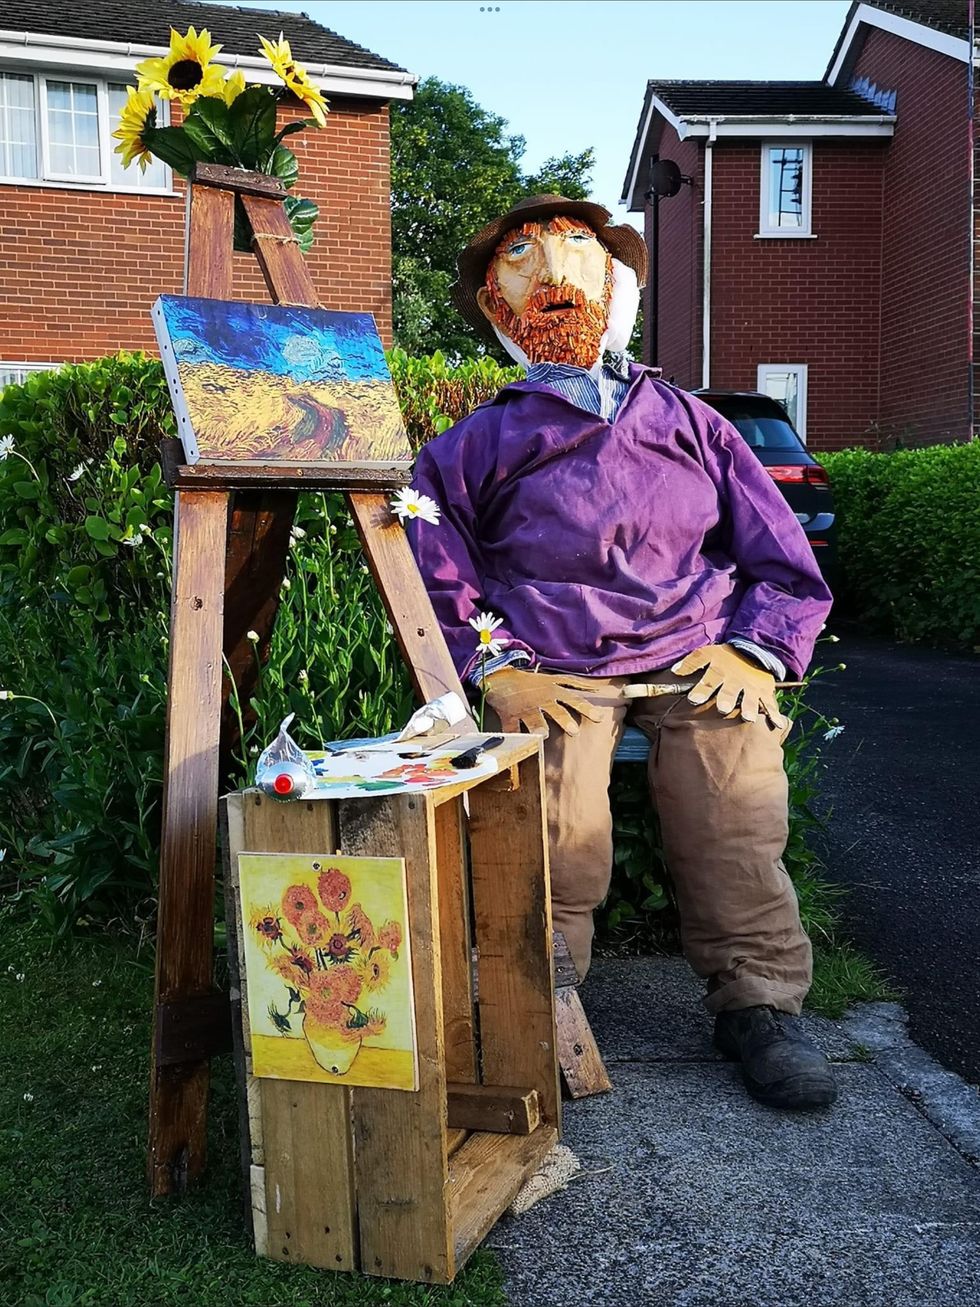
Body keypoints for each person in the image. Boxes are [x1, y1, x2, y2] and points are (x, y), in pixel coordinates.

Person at [406, 194, 837, 1110]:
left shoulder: (694, 422)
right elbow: (434, 563)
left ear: (618, 282)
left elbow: (782, 557)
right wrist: (499, 667)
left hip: (698, 652)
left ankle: (759, 1002)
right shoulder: (477, 442)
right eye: (522, 259)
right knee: (554, 822)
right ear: (495, 305)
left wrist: (757, 651)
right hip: (558, 666)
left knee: (737, 807)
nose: (554, 275)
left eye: (575, 253)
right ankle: (539, 999)